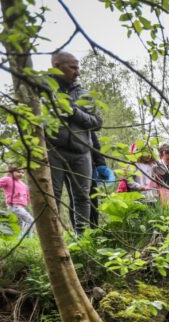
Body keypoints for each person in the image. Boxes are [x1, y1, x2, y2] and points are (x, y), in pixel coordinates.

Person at [46, 51, 102, 235]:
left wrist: (73, 111)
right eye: (73, 67)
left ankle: (83, 237)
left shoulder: (84, 94)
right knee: (52, 196)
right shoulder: (44, 92)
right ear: (56, 66)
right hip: (54, 151)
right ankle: (55, 238)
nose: (77, 72)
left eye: (78, 67)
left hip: (81, 153)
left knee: (82, 197)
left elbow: (96, 123)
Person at [88, 132, 115, 228]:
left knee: (93, 196)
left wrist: (101, 164)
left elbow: (95, 144)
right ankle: (80, 233)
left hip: (90, 165)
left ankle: (94, 229)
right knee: (76, 196)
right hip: (66, 163)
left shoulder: (86, 126)